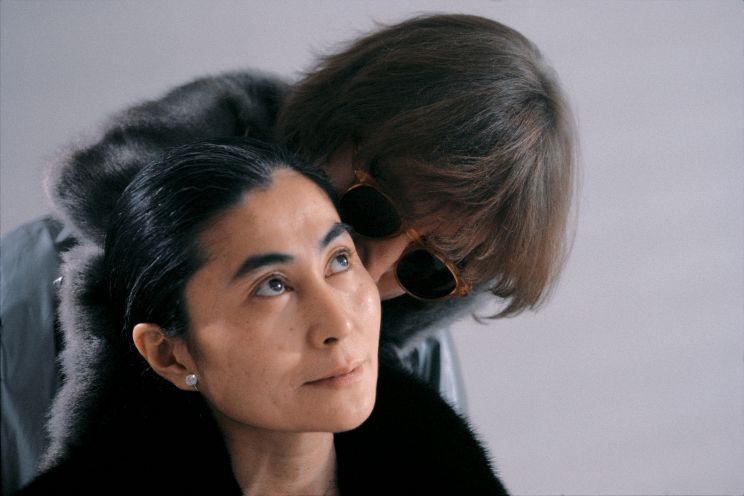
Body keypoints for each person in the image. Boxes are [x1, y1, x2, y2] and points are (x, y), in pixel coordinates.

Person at [1, 13, 575, 493]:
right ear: (329, 128)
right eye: (374, 208)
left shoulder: (410, 384)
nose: (371, 273)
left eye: (425, 268)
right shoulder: (32, 286)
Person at [17, 139, 507, 494]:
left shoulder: (444, 469)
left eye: (339, 259)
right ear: (169, 354)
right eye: (273, 286)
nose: (339, 325)